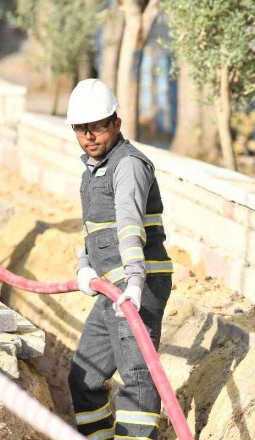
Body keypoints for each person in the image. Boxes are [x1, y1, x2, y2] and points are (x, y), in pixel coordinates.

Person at [67, 79, 173, 440]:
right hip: (112, 288)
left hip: (136, 285)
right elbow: (92, 228)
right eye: (81, 129)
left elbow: (129, 226)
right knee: (84, 376)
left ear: (116, 123)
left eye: (97, 126)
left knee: (137, 378)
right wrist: (84, 264)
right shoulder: (93, 170)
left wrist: (135, 282)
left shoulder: (128, 165)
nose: (89, 136)